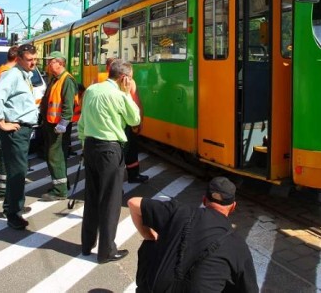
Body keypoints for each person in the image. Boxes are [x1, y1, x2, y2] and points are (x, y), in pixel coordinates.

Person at [128, 177, 258, 293]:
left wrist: (149, 236)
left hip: (153, 288)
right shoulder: (237, 245)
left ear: (204, 199)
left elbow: (133, 203)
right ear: (233, 206)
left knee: (150, 244)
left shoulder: (179, 211)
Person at [78, 58, 141, 263]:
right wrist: (127, 93)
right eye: (130, 79)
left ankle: (87, 245)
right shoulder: (119, 95)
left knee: (92, 197)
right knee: (110, 201)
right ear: (124, 78)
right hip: (110, 150)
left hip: (90, 146)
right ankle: (106, 251)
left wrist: (83, 146)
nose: (131, 82)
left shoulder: (92, 90)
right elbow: (135, 120)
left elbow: (81, 124)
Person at [0, 43, 39, 230]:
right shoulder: (12, 75)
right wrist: (1, 122)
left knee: (17, 170)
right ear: (18, 59)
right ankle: (13, 215)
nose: (33, 63)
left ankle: (12, 206)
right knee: (18, 172)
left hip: (21, 129)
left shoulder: (24, 75)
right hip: (15, 130)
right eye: (29, 60)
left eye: (35, 59)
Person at [97, 57, 148, 184]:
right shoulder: (129, 82)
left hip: (105, 126)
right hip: (124, 123)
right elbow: (136, 101)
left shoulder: (98, 80)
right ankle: (128, 178)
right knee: (127, 151)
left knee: (117, 155)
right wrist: (140, 119)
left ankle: (116, 182)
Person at [39, 51, 77, 201]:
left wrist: (63, 123)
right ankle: (61, 184)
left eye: (51, 62)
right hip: (50, 123)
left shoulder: (67, 80)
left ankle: (60, 190)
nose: (48, 64)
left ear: (60, 63)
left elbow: (69, 105)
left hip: (57, 126)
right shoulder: (55, 79)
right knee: (54, 155)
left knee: (56, 156)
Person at [0, 45, 18, 200]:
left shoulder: (3, 71)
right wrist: (1, 122)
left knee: (6, 154)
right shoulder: (7, 73)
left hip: (8, 117)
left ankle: (3, 189)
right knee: (7, 155)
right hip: (8, 119)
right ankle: (3, 191)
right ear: (17, 58)